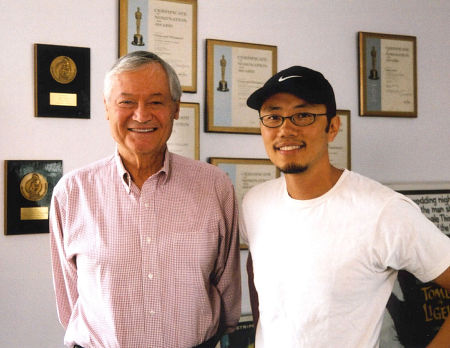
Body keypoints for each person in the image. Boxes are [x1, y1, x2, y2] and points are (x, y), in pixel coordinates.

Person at [240, 65, 450, 347]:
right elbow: (258, 266)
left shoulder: (383, 211)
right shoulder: (255, 202)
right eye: (273, 116)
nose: (285, 129)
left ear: (333, 127)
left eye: (303, 115)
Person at [50, 51, 241, 348]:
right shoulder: (72, 193)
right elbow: (70, 300)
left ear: (176, 108)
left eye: (156, 101)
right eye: (126, 102)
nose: (141, 115)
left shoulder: (214, 186)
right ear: (107, 108)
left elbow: (227, 290)